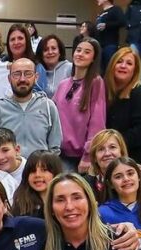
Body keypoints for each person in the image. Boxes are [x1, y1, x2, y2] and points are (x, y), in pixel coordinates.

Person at [0, 58, 63, 161]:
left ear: (36, 77)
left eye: (28, 74)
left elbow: (55, 147)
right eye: (17, 74)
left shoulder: (48, 106)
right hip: (6, 173)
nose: (22, 79)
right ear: (9, 78)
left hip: (40, 172)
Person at [54, 38, 106, 173]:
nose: (80, 54)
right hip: (58, 154)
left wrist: (88, 156)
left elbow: (97, 122)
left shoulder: (96, 82)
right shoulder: (63, 84)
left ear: (93, 58)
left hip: (80, 158)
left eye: (87, 52)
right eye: (78, 50)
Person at [104, 46, 141, 168]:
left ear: (135, 70)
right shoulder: (107, 93)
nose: (123, 66)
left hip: (137, 162)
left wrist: (114, 142)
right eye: (119, 61)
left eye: (129, 63)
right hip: (115, 159)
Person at [9, 150, 62, 218]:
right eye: (32, 171)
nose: (37, 175)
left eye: (44, 170)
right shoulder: (21, 204)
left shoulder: (66, 202)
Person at [83, 127, 128, 202]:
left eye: (112, 147)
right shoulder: (85, 185)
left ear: (122, 152)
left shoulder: (132, 181)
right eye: (101, 149)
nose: (107, 153)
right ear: (94, 157)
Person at [3, 24, 46, 93]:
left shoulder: (38, 67)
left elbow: (39, 94)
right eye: (12, 39)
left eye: (20, 38)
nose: (16, 42)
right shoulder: (2, 63)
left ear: (27, 41)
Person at [95, 0, 126, 70]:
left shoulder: (116, 9)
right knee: (100, 69)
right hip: (99, 45)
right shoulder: (100, 13)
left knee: (110, 67)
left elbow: (122, 22)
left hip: (110, 44)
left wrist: (107, 25)